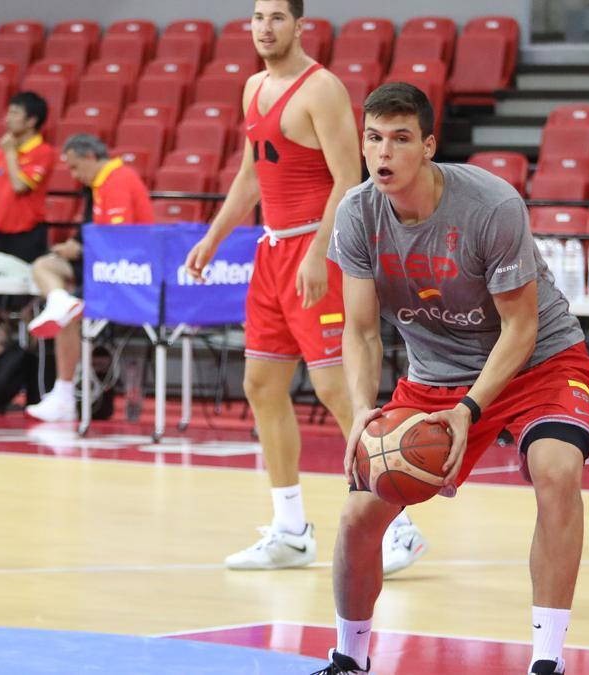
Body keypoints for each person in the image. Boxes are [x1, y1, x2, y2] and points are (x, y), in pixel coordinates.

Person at [315, 82, 589, 675]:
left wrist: (469, 411)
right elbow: (362, 332)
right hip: (435, 373)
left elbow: (519, 329)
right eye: (373, 138)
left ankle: (548, 660)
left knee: (557, 472)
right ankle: (350, 658)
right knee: (357, 516)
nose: (383, 153)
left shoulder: (490, 205)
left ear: (428, 145)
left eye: (400, 138)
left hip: (538, 362)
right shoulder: (357, 213)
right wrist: (362, 411)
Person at [182, 0, 426, 576]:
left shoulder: (322, 89)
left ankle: (403, 525)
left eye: (277, 18)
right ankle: (291, 531)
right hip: (271, 252)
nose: (265, 28)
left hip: (317, 249)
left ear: (300, 26)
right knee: (261, 383)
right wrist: (214, 238)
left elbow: (351, 178)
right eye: (257, 17)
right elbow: (250, 175)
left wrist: (320, 253)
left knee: (337, 390)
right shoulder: (251, 88)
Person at [25, 133, 153, 422]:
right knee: (45, 267)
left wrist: (79, 249)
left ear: (90, 157)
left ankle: (64, 393)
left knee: (68, 314)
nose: (73, 175)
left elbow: (118, 241)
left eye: (74, 167)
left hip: (126, 274)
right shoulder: (98, 184)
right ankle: (58, 301)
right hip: (100, 265)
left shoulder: (118, 179)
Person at [0, 91, 56, 354]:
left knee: (28, 305)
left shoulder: (43, 152)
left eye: (15, 113)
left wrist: (11, 154)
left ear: (32, 120)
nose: (7, 119)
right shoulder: (1, 153)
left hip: (27, 236)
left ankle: (33, 363)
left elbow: (19, 185)